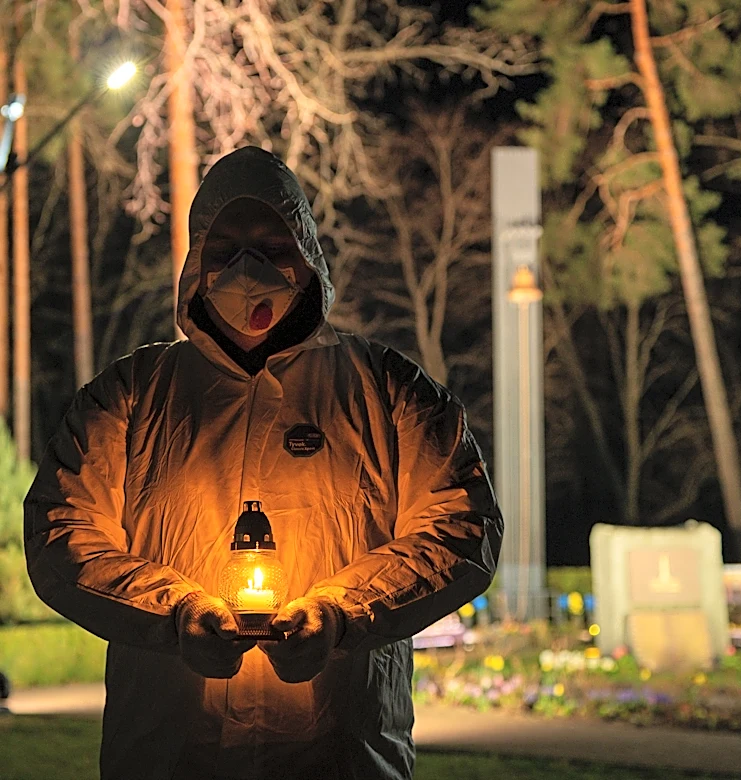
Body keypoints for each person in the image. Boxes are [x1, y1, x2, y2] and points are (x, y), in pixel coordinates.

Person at [24, 147, 503, 780]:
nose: (247, 268)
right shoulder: (134, 395)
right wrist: (176, 612)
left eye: (271, 246)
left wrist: (340, 613)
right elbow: (63, 532)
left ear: (307, 255)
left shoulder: (387, 392)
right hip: (170, 754)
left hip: (339, 753)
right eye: (224, 249)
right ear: (196, 260)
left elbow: (461, 527)